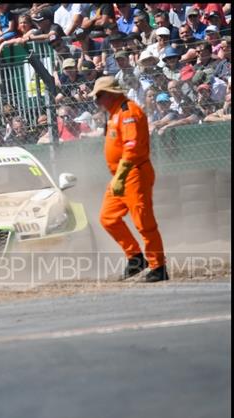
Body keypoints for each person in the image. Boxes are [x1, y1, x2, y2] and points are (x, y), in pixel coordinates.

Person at [90, 76, 168, 282]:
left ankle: (158, 267)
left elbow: (132, 148)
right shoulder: (115, 113)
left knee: (143, 222)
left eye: (99, 96)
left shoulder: (128, 112)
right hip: (121, 175)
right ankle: (135, 257)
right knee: (108, 217)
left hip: (133, 173)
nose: (97, 101)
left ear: (112, 94)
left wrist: (121, 176)